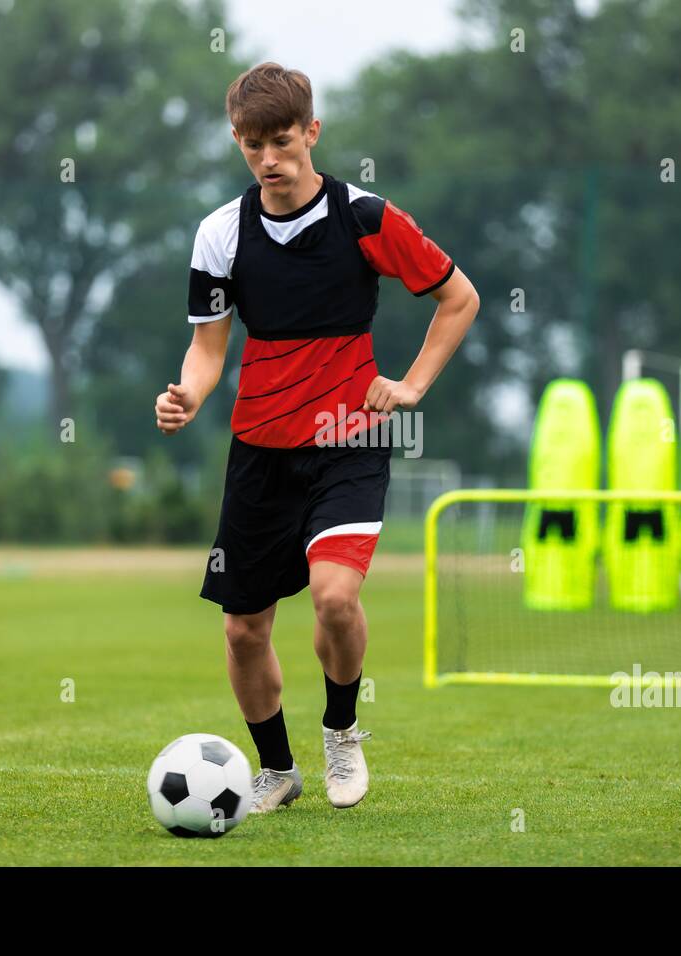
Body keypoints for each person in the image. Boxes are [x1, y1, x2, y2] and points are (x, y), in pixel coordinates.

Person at [156, 62, 479, 813]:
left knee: (336, 598)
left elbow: (458, 297)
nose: (267, 159)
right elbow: (208, 349)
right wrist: (187, 397)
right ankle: (276, 770)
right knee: (243, 629)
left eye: (279, 141)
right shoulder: (220, 232)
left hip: (347, 439)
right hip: (259, 449)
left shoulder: (365, 217)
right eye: (249, 145)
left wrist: (412, 385)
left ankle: (341, 733)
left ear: (312, 132)